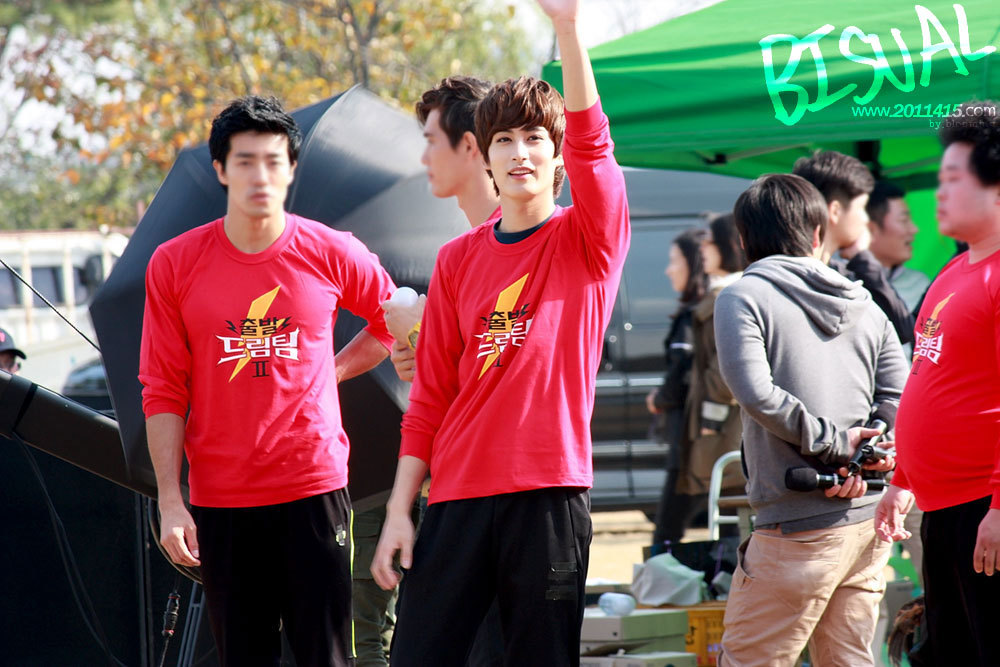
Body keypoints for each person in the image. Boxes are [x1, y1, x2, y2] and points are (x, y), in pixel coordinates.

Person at [371, 0, 630, 663]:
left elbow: (595, 144)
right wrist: (400, 510)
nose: (520, 153)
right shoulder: (457, 259)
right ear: (484, 155)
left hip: (548, 498)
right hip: (457, 497)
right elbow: (430, 398)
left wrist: (568, 30)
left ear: (556, 154)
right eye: (505, 141)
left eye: (535, 138)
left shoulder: (588, 241)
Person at [139, 95, 396, 667]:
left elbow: (393, 323)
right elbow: (162, 387)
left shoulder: (331, 250)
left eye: (274, 161)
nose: (261, 176)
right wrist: (170, 501)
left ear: (292, 168)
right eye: (246, 161)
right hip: (223, 499)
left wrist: (332, 371)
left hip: (314, 490)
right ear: (221, 170)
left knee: (327, 657)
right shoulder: (174, 264)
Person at [714, 173, 906, 666]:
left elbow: (755, 392)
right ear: (819, 233)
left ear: (743, 240)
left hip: (794, 525)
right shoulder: (863, 301)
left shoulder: (742, 296)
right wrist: (864, 454)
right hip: (866, 518)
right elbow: (898, 393)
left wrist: (839, 445)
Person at [357, 75, 504, 667]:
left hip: (511, 500)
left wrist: (424, 339)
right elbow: (444, 389)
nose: (422, 158)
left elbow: (507, 383)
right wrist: (418, 355)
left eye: (431, 141)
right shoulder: (457, 255)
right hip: (452, 492)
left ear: (470, 147)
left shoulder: (531, 245)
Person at [875, 101, 1000, 667]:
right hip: (944, 506)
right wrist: (903, 479)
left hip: (983, 505)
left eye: (955, 179)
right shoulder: (955, 270)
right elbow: (930, 374)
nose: (940, 193)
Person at [793, 151, 915, 345]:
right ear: (835, 211)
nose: (866, 220)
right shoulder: (795, 276)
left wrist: (861, 257)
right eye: (862, 208)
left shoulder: (846, 274)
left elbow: (903, 330)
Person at [648, 228, 708, 549]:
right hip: (702, 438)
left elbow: (683, 373)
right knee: (729, 516)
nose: (668, 270)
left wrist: (659, 398)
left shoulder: (695, 315)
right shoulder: (705, 309)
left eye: (675, 261)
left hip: (689, 438)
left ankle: (658, 568)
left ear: (694, 264)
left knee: (667, 530)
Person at [866, 180, 930, 313]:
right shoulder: (843, 281)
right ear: (871, 229)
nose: (914, 229)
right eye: (904, 220)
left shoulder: (920, 284)